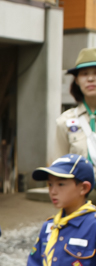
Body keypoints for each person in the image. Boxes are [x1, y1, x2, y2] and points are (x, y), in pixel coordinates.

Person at [54, 48, 96, 176]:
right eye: (84, 74)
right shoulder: (65, 121)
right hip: (80, 193)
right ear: (76, 80)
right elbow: (60, 167)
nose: (90, 79)